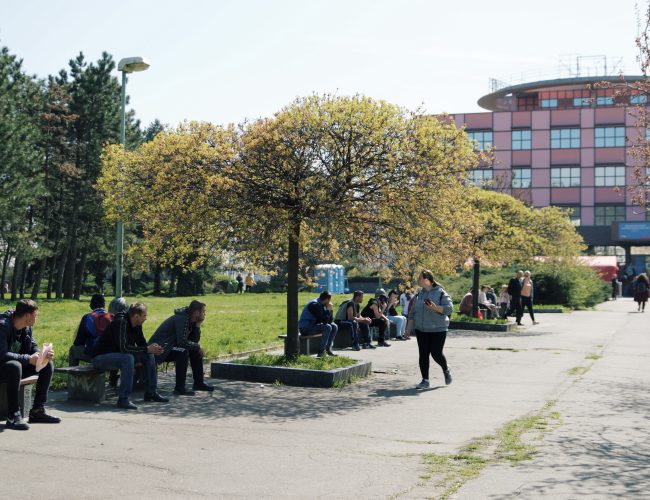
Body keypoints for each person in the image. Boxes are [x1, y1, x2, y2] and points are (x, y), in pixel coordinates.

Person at [92, 302, 169, 410]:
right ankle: (123, 399)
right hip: (100, 358)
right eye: (144, 315)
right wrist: (146, 349)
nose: (146, 318)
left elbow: (142, 344)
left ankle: (151, 392)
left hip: (119, 356)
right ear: (136, 316)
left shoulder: (137, 325)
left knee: (149, 355)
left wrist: (152, 348)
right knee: (128, 358)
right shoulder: (121, 322)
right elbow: (124, 348)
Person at [0, 299, 61, 430]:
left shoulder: (26, 328)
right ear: (27, 316)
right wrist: (28, 359)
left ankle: (37, 411)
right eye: (36, 315)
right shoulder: (3, 326)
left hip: (14, 367)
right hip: (5, 367)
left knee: (47, 364)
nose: (37, 318)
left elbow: (32, 346)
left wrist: (41, 355)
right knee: (14, 366)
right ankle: (13, 415)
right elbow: (2, 354)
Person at [148, 300, 214, 394]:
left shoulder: (190, 320)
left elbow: (193, 342)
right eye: (203, 311)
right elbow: (182, 342)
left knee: (195, 350)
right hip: (160, 349)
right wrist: (198, 346)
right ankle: (180, 388)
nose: (205, 314)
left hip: (171, 347)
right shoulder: (182, 319)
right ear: (196, 312)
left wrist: (198, 325)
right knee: (183, 352)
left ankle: (199, 383)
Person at [405, 270, 453, 389]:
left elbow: (449, 309)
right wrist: (408, 329)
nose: (418, 280)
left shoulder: (440, 292)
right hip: (421, 329)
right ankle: (425, 380)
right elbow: (412, 312)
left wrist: (435, 308)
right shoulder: (419, 294)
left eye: (420, 278)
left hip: (438, 329)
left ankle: (446, 370)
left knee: (436, 354)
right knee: (423, 355)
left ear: (427, 279)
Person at [69, 293, 113, 366]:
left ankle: (73, 376)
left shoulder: (87, 318)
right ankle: (112, 377)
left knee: (73, 349)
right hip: (112, 356)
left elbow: (78, 342)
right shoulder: (112, 317)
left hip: (95, 356)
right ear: (104, 305)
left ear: (91, 305)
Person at [298, 291, 338, 357]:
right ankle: (321, 351)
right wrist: (328, 310)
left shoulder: (322, 304)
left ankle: (328, 349)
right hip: (305, 328)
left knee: (334, 326)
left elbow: (329, 321)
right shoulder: (314, 305)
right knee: (327, 327)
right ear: (327, 300)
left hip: (312, 326)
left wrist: (331, 310)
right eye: (329, 300)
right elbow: (325, 321)